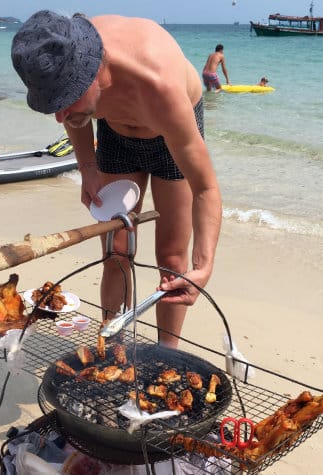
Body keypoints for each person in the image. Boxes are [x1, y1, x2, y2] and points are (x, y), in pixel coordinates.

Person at [12, 11, 222, 348]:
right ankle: (111, 346)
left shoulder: (157, 84)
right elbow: (72, 114)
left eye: (65, 100)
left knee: (171, 260)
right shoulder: (68, 56)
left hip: (170, 138)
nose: (59, 117)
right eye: (54, 103)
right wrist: (88, 168)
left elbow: (206, 187)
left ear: (92, 73)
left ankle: (165, 354)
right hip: (115, 137)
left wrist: (205, 264)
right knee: (116, 252)